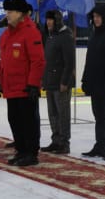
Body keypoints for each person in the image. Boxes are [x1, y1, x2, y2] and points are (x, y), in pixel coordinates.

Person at [0, 0, 45, 167]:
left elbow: (38, 61)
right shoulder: (6, 34)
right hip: (10, 86)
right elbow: (3, 61)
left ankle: (31, 153)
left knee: (28, 121)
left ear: (21, 13)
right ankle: (21, 151)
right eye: (6, 11)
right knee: (14, 120)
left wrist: (33, 84)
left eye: (10, 12)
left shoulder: (31, 32)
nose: (7, 14)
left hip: (25, 87)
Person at [81, 4, 105, 160]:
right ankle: (99, 147)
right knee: (99, 118)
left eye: (98, 17)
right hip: (95, 85)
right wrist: (86, 80)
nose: (95, 19)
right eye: (94, 17)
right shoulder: (94, 35)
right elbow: (90, 61)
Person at [40, 10, 75, 155]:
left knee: (63, 113)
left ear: (57, 20)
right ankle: (56, 140)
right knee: (53, 113)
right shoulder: (50, 37)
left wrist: (65, 81)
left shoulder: (65, 36)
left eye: (51, 20)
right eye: (47, 19)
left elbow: (69, 61)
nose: (48, 22)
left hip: (61, 82)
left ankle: (64, 143)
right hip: (50, 81)